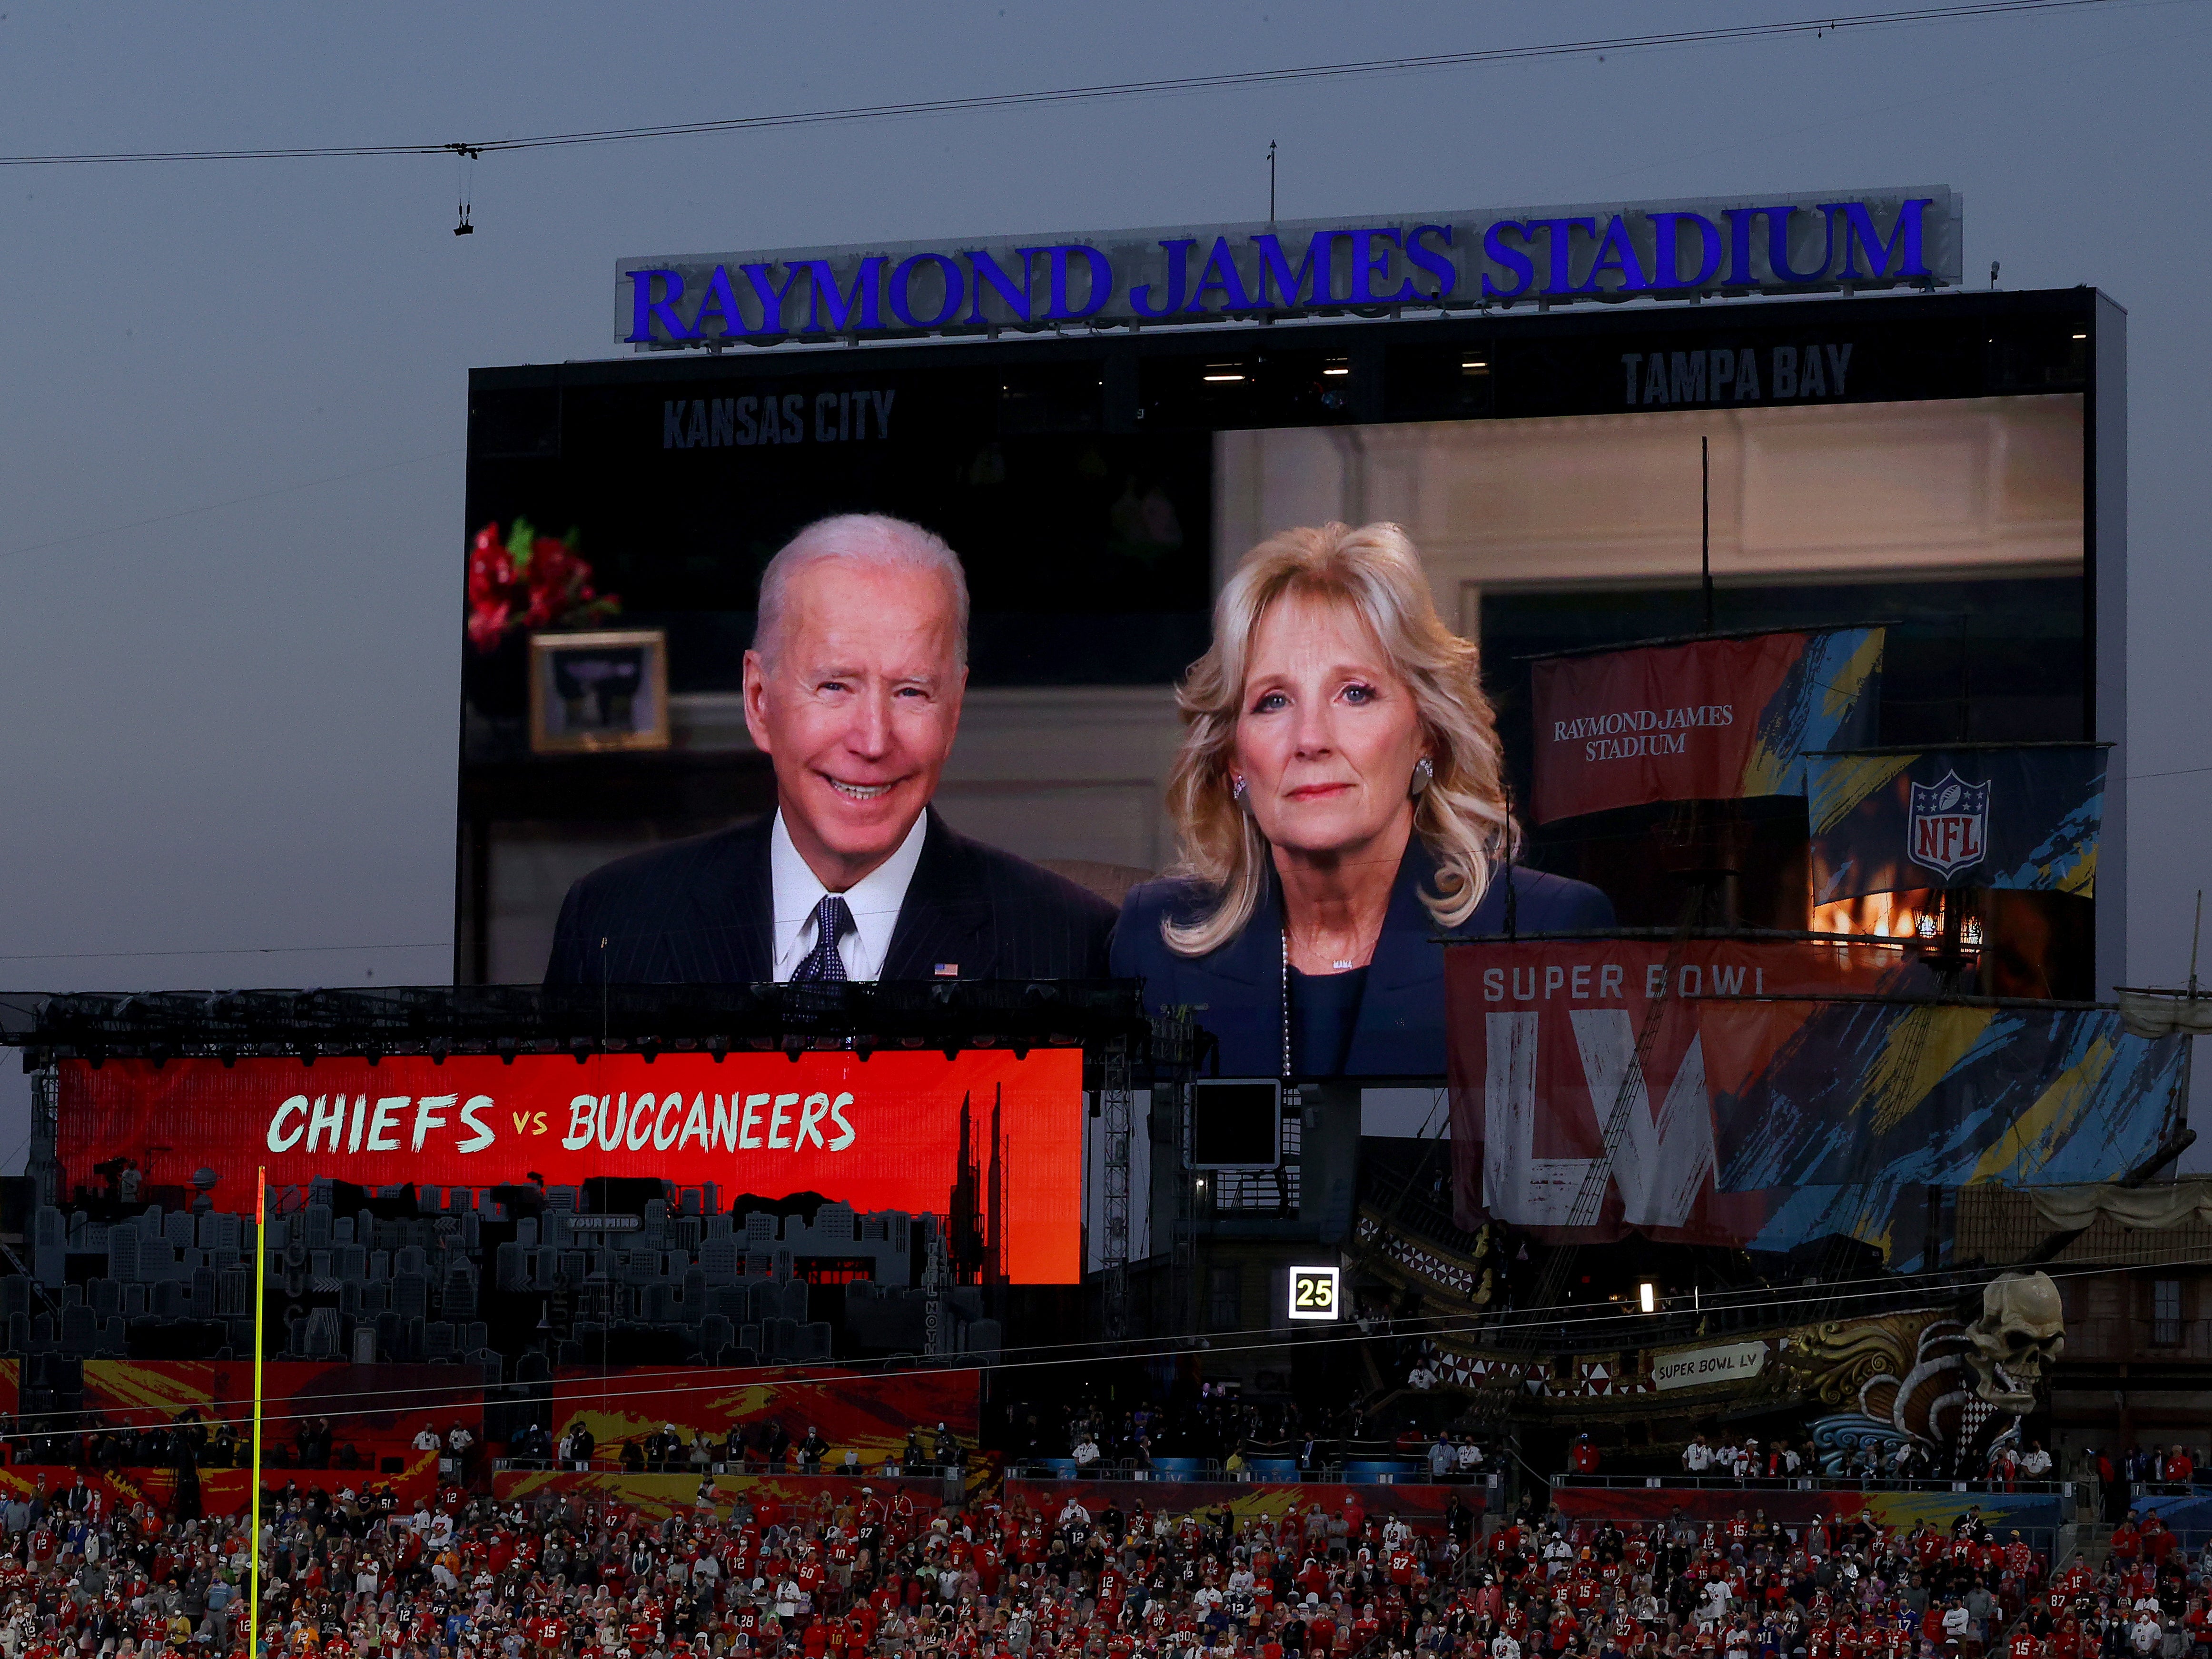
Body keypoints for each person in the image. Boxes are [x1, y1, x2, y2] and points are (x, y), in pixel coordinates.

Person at [1111, 521, 1613, 1078]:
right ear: (1234, 760)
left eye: (1355, 693)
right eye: (1273, 701)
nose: (1310, 740)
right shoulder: (1154, 943)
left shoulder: (1545, 934)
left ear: (1426, 733)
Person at [545, 513, 1115, 985]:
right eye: (835, 686)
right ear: (758, 699)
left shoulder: (1070, 946)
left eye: (911, 692)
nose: (872, 740)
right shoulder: (612, 926)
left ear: (954, 710)